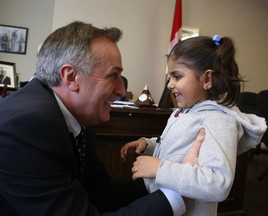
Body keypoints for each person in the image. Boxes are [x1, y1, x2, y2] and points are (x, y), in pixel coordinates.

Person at [0, 21, 204, 216]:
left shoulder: (80, 119)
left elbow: (104, 195)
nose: (122, 89)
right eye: (112, 75)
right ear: (71, 77)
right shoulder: (26, 127)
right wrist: (180, 191)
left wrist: (167, 171)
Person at [121, 35, 267, 216]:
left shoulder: (218, 121)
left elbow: (218, 183)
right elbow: (177, 147)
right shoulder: (185, 112)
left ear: (207, 79)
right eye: (169, 77)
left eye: (176, 76)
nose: (170, 84)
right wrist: (149, 145)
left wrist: (159, 169)